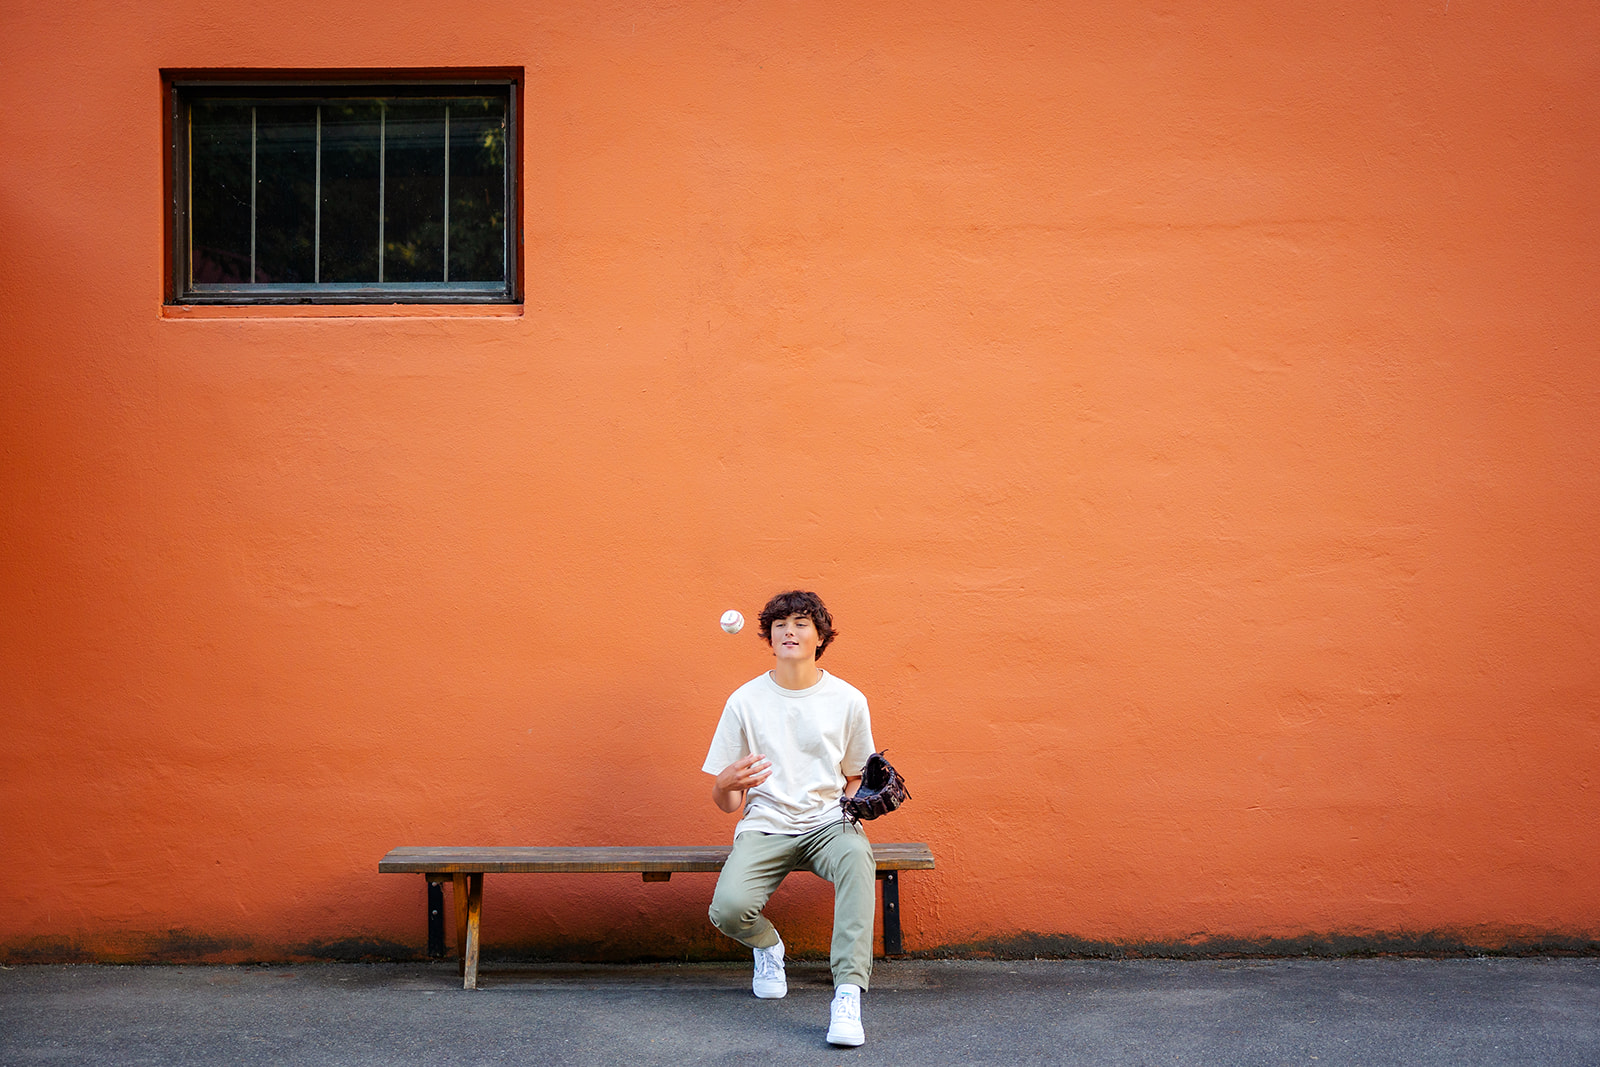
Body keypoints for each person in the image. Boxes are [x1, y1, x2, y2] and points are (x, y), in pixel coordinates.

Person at [703, 590, 878, 1047]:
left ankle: (847, 994)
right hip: (766, 823)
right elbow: (729, 801)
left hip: (827, 821)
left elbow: (857, 775)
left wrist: (854, 808)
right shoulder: (744, 700)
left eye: (801, 623)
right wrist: (726, 784)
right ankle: (768, 946)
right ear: (769, 637)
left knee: (859, 859)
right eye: (780, 624)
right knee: (727, 910)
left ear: (820, 637)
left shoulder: (848, 700)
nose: (789, 631)